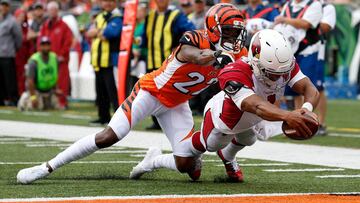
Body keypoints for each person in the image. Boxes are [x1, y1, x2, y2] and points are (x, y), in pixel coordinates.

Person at [16, 3, 248, 184]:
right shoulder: (196, 38)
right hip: (151, 92)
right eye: (228, 31)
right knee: (109, 136)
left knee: (187, 166)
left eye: (236, 32)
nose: (233, 38)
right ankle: (47, 167)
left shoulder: (237, 53)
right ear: (213, 28)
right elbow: (193, 55)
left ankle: (151, 162)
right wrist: (216, 56)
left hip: (177, 104)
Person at [129, 29, 319, 182]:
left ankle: (228, 157)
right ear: (255, 61)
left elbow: (310, 88)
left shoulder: (282, 65)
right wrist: (288, 116)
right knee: (190, 159)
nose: (279, 77)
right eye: (272, 73)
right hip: (223, 119)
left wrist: (307, 109)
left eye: (282, 72)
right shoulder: (234, 73)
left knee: (249, 139)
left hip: (255, 117)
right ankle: (152, 161)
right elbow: (256, 105)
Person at [143, 0, 195, 130]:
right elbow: (144, 37)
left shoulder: (176, 16)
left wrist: (180, 47)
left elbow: (191, 31)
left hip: (169, 62)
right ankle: (156, 122)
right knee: (152, 92)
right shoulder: (150, 17)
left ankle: (178, 123)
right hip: (151, 59)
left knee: (172, 93)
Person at [273, 0, 322, 110]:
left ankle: (305, 117)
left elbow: (306, 23)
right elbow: (279, 24)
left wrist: (284, 19)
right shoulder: (289, 4)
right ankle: (289, 118)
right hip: (290, 50)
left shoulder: (314, 4)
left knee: (306, 86)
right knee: (287, 88)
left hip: (307, 50)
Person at [87, 0, 122, 125]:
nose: (107, 3)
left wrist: (97, 32)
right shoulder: (101, 16)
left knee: (113, 92)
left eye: (110, 1)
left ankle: (120, 120)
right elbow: (88, 32)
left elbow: (111, 33)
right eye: (105, 1)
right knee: (101, 91)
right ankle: (103, 116)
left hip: (110, 60)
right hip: (98, 60)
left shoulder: (118, 17)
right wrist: (99, 32)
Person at [38, 1, 73, 109]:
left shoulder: (64, 26)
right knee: (49, 80)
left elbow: (68, 42)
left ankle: (62, 102)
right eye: (50, 10)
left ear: (57, 11)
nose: (52, 12)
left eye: (54, 10)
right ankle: (51, 102)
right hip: (47, 60)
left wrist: (61, 55)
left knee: (62, 82)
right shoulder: (45, 26)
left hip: (60, 60)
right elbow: (40, 40)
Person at [18, 37, 59, 111]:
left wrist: (56, 89)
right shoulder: (34, 61)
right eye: (43, 45)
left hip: (49, 90)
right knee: (35, 107)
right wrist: (33, 97)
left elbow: (55, 74)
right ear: (40, 46)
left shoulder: (54, 58)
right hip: (36, 89)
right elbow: (30, 80)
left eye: (47, 45)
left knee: (57, 107)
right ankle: (25, 98)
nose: (46, 47)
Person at [316, 1, 336, 135]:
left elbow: (325, 27)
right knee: (297, 86)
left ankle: (321, 123)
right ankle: (300, 121)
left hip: (317, 50)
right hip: (299, 49)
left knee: (318, 87)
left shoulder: (326, 7)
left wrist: (310, 19)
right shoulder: (299, 5)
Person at [0, 0, 23, 106]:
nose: (2, 8)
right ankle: (2, 99)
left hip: (8, 54)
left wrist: (13, 49)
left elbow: (18, 38)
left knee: (10, 79)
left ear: (8, 8)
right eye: (1, 6)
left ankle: (13, 99)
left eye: (5, 6)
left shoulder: (12, 21)